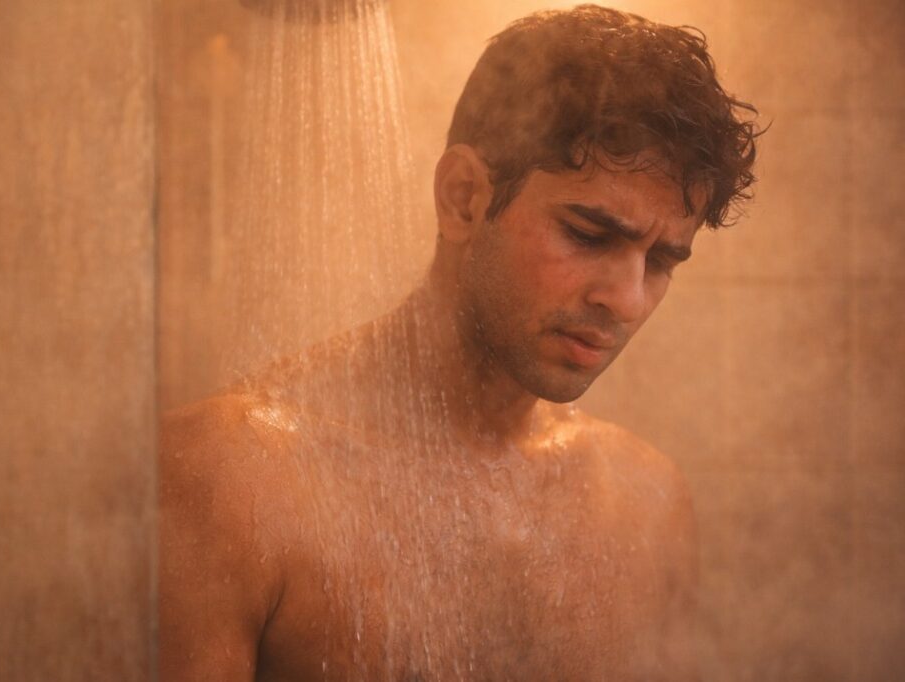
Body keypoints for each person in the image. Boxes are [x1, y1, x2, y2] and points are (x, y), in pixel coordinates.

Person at [159, 5, 760, 680]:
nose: (625, 299)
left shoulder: (646, 505)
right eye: (589, 235)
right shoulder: (235, 478)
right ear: (464, 196)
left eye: (661, 262)